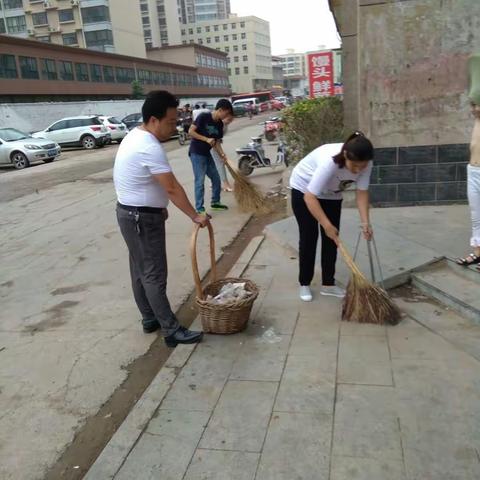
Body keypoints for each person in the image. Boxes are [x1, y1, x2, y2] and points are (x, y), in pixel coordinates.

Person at [114, 90, 207, 346]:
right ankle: (171, 330)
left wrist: (159, 206)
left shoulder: (134, 135)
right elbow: (172, 187)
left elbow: (142, 181)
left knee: (140, 269)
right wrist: (194, 215)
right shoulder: (148, 146)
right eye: (170, 122)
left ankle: (149, 318)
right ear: (153, 120)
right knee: (153, 273)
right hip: (141, 219)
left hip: (129, 212)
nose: (174, 126)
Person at [289, 132, 374, 302]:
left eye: (362, 166)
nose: (358, 170)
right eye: (355, 166)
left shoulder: (367, 163)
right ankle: (304, 282)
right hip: (304, 188)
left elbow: (362, 192)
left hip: (331, 194)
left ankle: (328, 284)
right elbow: (310, 197)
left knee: (333, 239)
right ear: (345, 156)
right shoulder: (330, 162)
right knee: (309, 236)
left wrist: (365, 222)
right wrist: (325, 224)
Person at [188, 99, 234, 214]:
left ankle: (215, 202)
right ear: (220, 110)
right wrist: (206, 139)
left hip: (207, 154)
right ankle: (199, 209)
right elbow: (191, 131)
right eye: (226, 113)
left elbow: (217, 142)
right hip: (196, 152)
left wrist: (222, 155)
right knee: (200, 180)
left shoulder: (219, 124)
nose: (227, 116)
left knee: (216, 178)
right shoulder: (203, 117)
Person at [456, 102, 480, 269]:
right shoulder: (477, 121)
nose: (474, 108)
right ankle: (478, 253)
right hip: (473, 171)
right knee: (476, 216)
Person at [211, 115, 234, 192]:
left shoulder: (225, 126)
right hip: (209, 145)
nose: (230, 121)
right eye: (228, 119)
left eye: (231, 119)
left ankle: (214, 183)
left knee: (214, 164)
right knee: (220, 163)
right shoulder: (217, 125)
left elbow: (218, 139)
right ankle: (226, 184)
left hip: (215, 144)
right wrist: (222, 154)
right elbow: (214, 143)